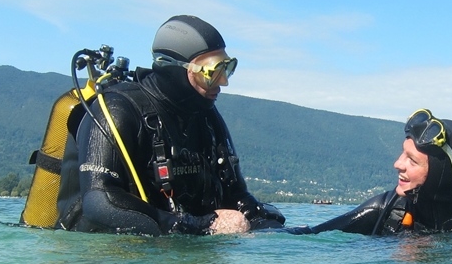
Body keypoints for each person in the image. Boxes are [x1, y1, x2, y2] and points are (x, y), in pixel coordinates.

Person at [55, 15, 285, 236]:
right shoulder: (116, 110)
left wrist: (271, 230)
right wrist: (195, 226)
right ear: (174, 68)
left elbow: (236, 195)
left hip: (177, 254)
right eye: (213, 72)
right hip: (100, 260)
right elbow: (99, 202)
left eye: (227, 68)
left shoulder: (206, 116)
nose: (224, 82)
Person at [284, 109, 452, 236]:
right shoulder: (386, 208)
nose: (397, 164)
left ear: (440, 176)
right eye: (403, 154)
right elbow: (312, 236)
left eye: (412, 160)